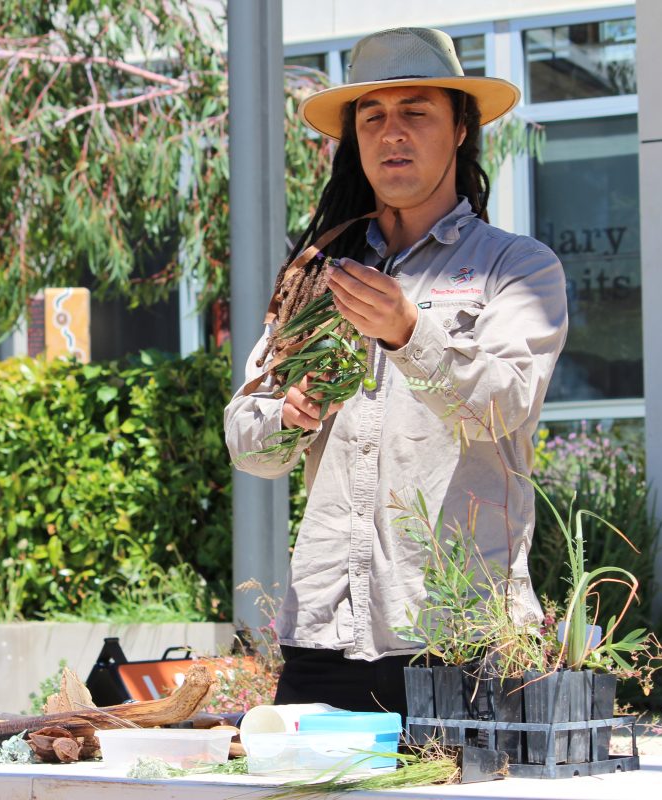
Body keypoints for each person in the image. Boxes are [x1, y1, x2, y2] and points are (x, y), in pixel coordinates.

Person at [224, 28, 568, 716]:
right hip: (325, 635)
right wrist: (286, 418)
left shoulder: (519, 268)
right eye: (372, 116)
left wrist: (410, 333)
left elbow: (504, 408)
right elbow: (246, 441)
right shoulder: (319, 276)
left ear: (461, 127)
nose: (392, 134)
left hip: (460, 637)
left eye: (416, 112)